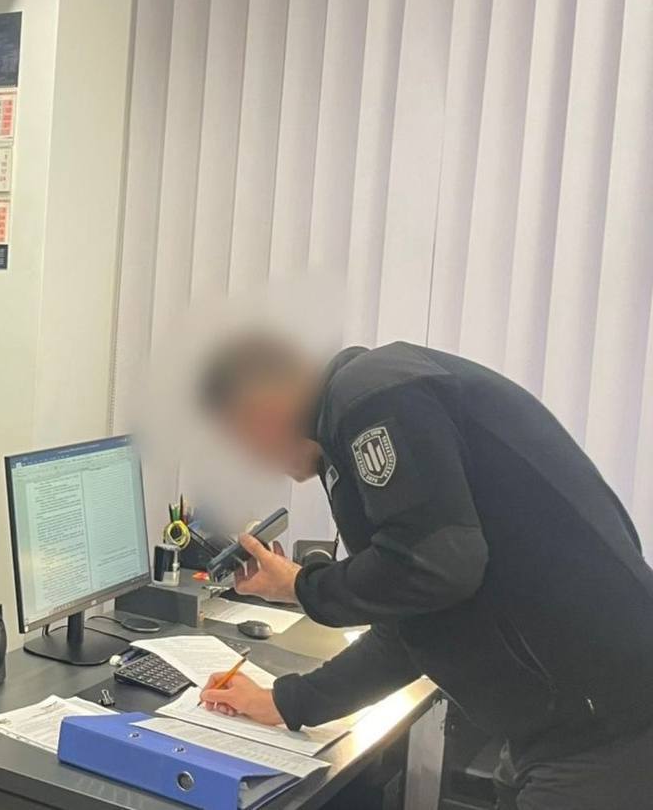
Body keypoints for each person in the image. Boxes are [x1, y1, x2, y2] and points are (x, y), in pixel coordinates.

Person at [195, 334, 653, 809]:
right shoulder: (351, 429)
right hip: (557, 723)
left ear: (261, 406)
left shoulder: (370, 396)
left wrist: (301, 587)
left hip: (606, 726)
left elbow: (436, 567)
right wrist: (286, 702)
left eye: (242, 436)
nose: (253, 457)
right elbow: (409, 625)